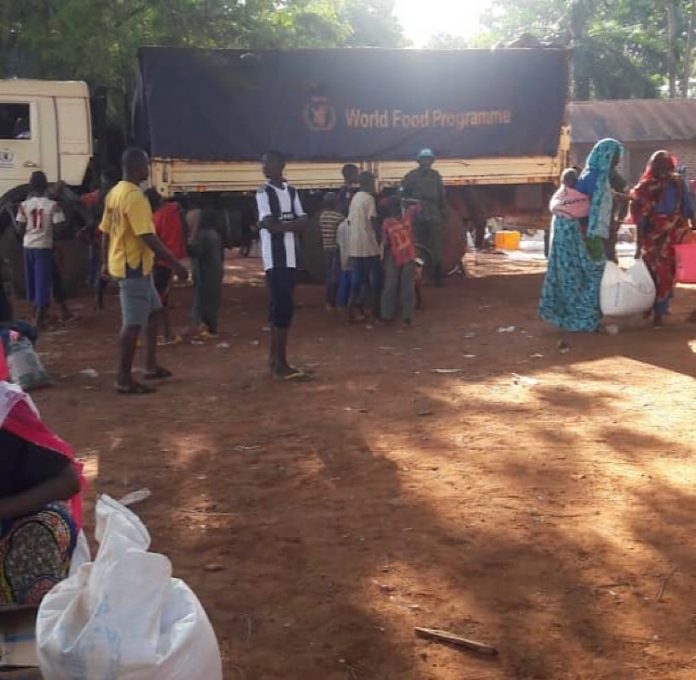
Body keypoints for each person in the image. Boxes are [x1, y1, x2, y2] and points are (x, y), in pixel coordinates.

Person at [99, 148, 189, 395]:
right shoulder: (135, 197)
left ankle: (150, 365)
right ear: (138, 167)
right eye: (146, 165)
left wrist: (105, 262)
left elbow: (105, 231)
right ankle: (123, 379)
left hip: (129, 263)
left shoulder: (115, 193)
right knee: (132, 324)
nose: (148, 170)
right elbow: (148, 236)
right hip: (133, 267)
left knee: (154, 312)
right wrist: (176, 264)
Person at [0, 381, 84, 606]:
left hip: (14, 523)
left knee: (39, 532)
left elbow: (67, 481)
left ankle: (31, 629)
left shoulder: (6, 409)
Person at [539, 138, 624, 332]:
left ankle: (583, 315)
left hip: (583, 232)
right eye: (615, 157)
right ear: (605, 157)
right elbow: (590, 208)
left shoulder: (592, 175)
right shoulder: (595, 178)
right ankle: (586, 318)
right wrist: (593, 236)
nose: (617, 162)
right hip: (586, 233)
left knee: (581, 273)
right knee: (594, 272)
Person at [255, 150, 309, 380]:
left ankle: (275, 360)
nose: (265, 168)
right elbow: (271, 224)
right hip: (275, 259)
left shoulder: (292, 191)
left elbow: (301, 222)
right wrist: (291, 224)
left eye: (269, 164)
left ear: (281, 165)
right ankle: (280, 363)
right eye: (264, 164)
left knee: (282, 305)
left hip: (289, 258)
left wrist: (281, 225)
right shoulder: (263, 192)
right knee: (282, 307)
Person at [630, 150, 694, 326]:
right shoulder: (679, 183)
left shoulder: (645, 187)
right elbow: (688, 210)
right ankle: (660, 309)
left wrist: (638, 245)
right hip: (672, 236)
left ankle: (651, 308)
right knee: (666, 273)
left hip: (653, 237)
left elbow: (640, 218)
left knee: (651, 272)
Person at [15, 171, 66, 330]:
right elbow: (60, 229)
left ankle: (36, 317)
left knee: (33, 283)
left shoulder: (23, 205)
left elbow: (20, 229)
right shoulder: (53, 205)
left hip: (28, 246)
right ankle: (38, 323)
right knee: (43, 284)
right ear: (46, 186)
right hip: (44, 247)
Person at [146, 190, 187, 344]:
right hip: (172, 258)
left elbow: (153, 243)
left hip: (161, 262)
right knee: (162, 299)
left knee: (156, 301)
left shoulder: (155, 219)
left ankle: (160, 334)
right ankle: (167, 334)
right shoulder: (174, 210)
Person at [401, 149, 448, 286]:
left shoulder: (436, 176)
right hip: (417, 216)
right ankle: (419, 277)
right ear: (419, 161)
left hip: (434, 215)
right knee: (418, 246)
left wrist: (443, 214)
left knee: (436, 247)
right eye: (424, 159)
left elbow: (442, 197)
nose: (427, 162)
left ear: (432, 161)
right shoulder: (411, 176)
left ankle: (437, 277)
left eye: (429, 160)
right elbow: (402, 193)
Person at [346, 171, 381, 322]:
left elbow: (349, 221)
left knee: (357, 281)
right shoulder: (369, 198)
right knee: (374, 282)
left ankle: (350, 312)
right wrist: (380, 238)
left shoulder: (355, 198)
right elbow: (373, 220)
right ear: (368, 183)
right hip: (369, 246)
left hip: (355, 246)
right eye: (373, 182)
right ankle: (374, 314)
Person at [187, 207, 224, 338]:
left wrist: (190, 241)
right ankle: (211, 327)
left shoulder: (203, 235)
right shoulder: (214, 234)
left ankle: (199, 326)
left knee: (201, 299)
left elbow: (197, 253)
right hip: (215, 271)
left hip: (205, 272)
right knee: (212, 300)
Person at [380, 197, 417, 326]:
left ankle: (387, 316)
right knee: (407, 287)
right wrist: (407, 202)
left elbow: (385, 242)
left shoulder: (387, 222)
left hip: (393, 256)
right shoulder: (407, 217)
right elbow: (419, 206)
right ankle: (407, 316)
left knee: (390, 286)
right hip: (409, 255)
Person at [318, 192, 345, 310]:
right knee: (336, 275)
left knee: (329, 275)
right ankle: (337, 300)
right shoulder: (339, 217)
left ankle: (329, 301)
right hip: (336, 249)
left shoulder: (322, 216)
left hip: (326, 248)